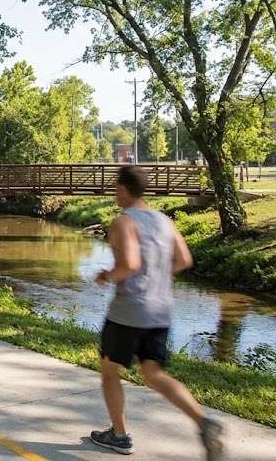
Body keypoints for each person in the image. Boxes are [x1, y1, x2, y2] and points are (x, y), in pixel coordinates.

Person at [90, 165, 223, 458]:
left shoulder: (124, 222)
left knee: (110, 371)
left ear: (123, 189)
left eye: (115, 188)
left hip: (128, 312)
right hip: (160, 310)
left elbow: (130, 265)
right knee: (153, 374)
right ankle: (204, 422)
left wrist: (106, 276)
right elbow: (185, 259)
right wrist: (159, 277)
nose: (114, 192)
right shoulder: (164, 220)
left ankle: (119, 435)